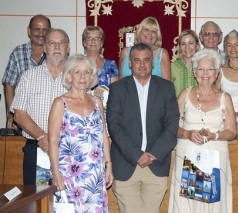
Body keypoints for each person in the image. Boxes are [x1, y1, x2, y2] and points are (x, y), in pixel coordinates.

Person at [107, 43, 179, 213]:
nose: (142, 64)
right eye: (137, 60)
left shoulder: (166, 88)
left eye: (146, 60)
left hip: (155, 164)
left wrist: (153, 154)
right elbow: (114, 126)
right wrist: (137, 155)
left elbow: (172, 125)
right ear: (130, 63)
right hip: (126, 164)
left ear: (152, 63)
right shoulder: (117, 89)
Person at [169, 48, 236, 213]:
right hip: (188, 156)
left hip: (215, 157)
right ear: (194, 71)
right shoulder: (185, 94)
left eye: (210, 69)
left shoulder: (224, 98)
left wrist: (215, 135)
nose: (205, 73)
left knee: (212, 204)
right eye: (201, 69)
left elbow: (232, 132)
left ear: (217, 72)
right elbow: (170, 126)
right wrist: (187, 134)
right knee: (187, 204)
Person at [48, 54, 113, 212]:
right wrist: (56, 173)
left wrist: (108, 166)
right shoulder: (60, 103)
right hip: (69, 176)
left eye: (86, 72)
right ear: (69, 76)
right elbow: (53, 141)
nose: (82, 77)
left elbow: (103, 135)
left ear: (91, 76)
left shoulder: (97, 102)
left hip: (95, 176)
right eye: (77, 72)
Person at [10, 28, 69, 185]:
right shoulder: (29, 76)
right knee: (37, 203)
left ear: (67, 47)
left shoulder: (77, 77)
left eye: (61, 43)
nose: (57, 47)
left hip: (69, 152)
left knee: (67, 204)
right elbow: (19, 114)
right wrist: (42, 137)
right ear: (44, 47)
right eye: (51, 43)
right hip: (36, 148)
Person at [2, 14, 51, 130]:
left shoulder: (56, 54)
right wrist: (11, 114)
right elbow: (9, 85)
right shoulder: (18, 53)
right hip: (22, 118)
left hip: (48, 118)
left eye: (45, 30)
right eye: (37, 29)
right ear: (29, 31)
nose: (41, 34)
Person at [118, 16, 171, 80]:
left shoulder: (162, 54)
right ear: (139, 31)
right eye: (146, 29)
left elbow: (167, 85)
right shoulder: (125, 52)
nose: (150, 33)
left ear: (157, 35)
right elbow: (120, 81)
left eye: (154, 31)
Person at [82, 26, 119, 93]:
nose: (93, 41)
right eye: (89, 38)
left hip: (106, 102)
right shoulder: (78, 64)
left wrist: (105, 91)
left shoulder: (111, 65)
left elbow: (116, 91)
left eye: (97, 38)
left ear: (101, 43)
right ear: (84, 43)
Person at [171, 30, 200, 96]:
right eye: (183, 44)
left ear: (197, 45)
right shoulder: (172, 67)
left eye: (191, 43)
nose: (187, 47)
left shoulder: (203, 67)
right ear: (180, 47)